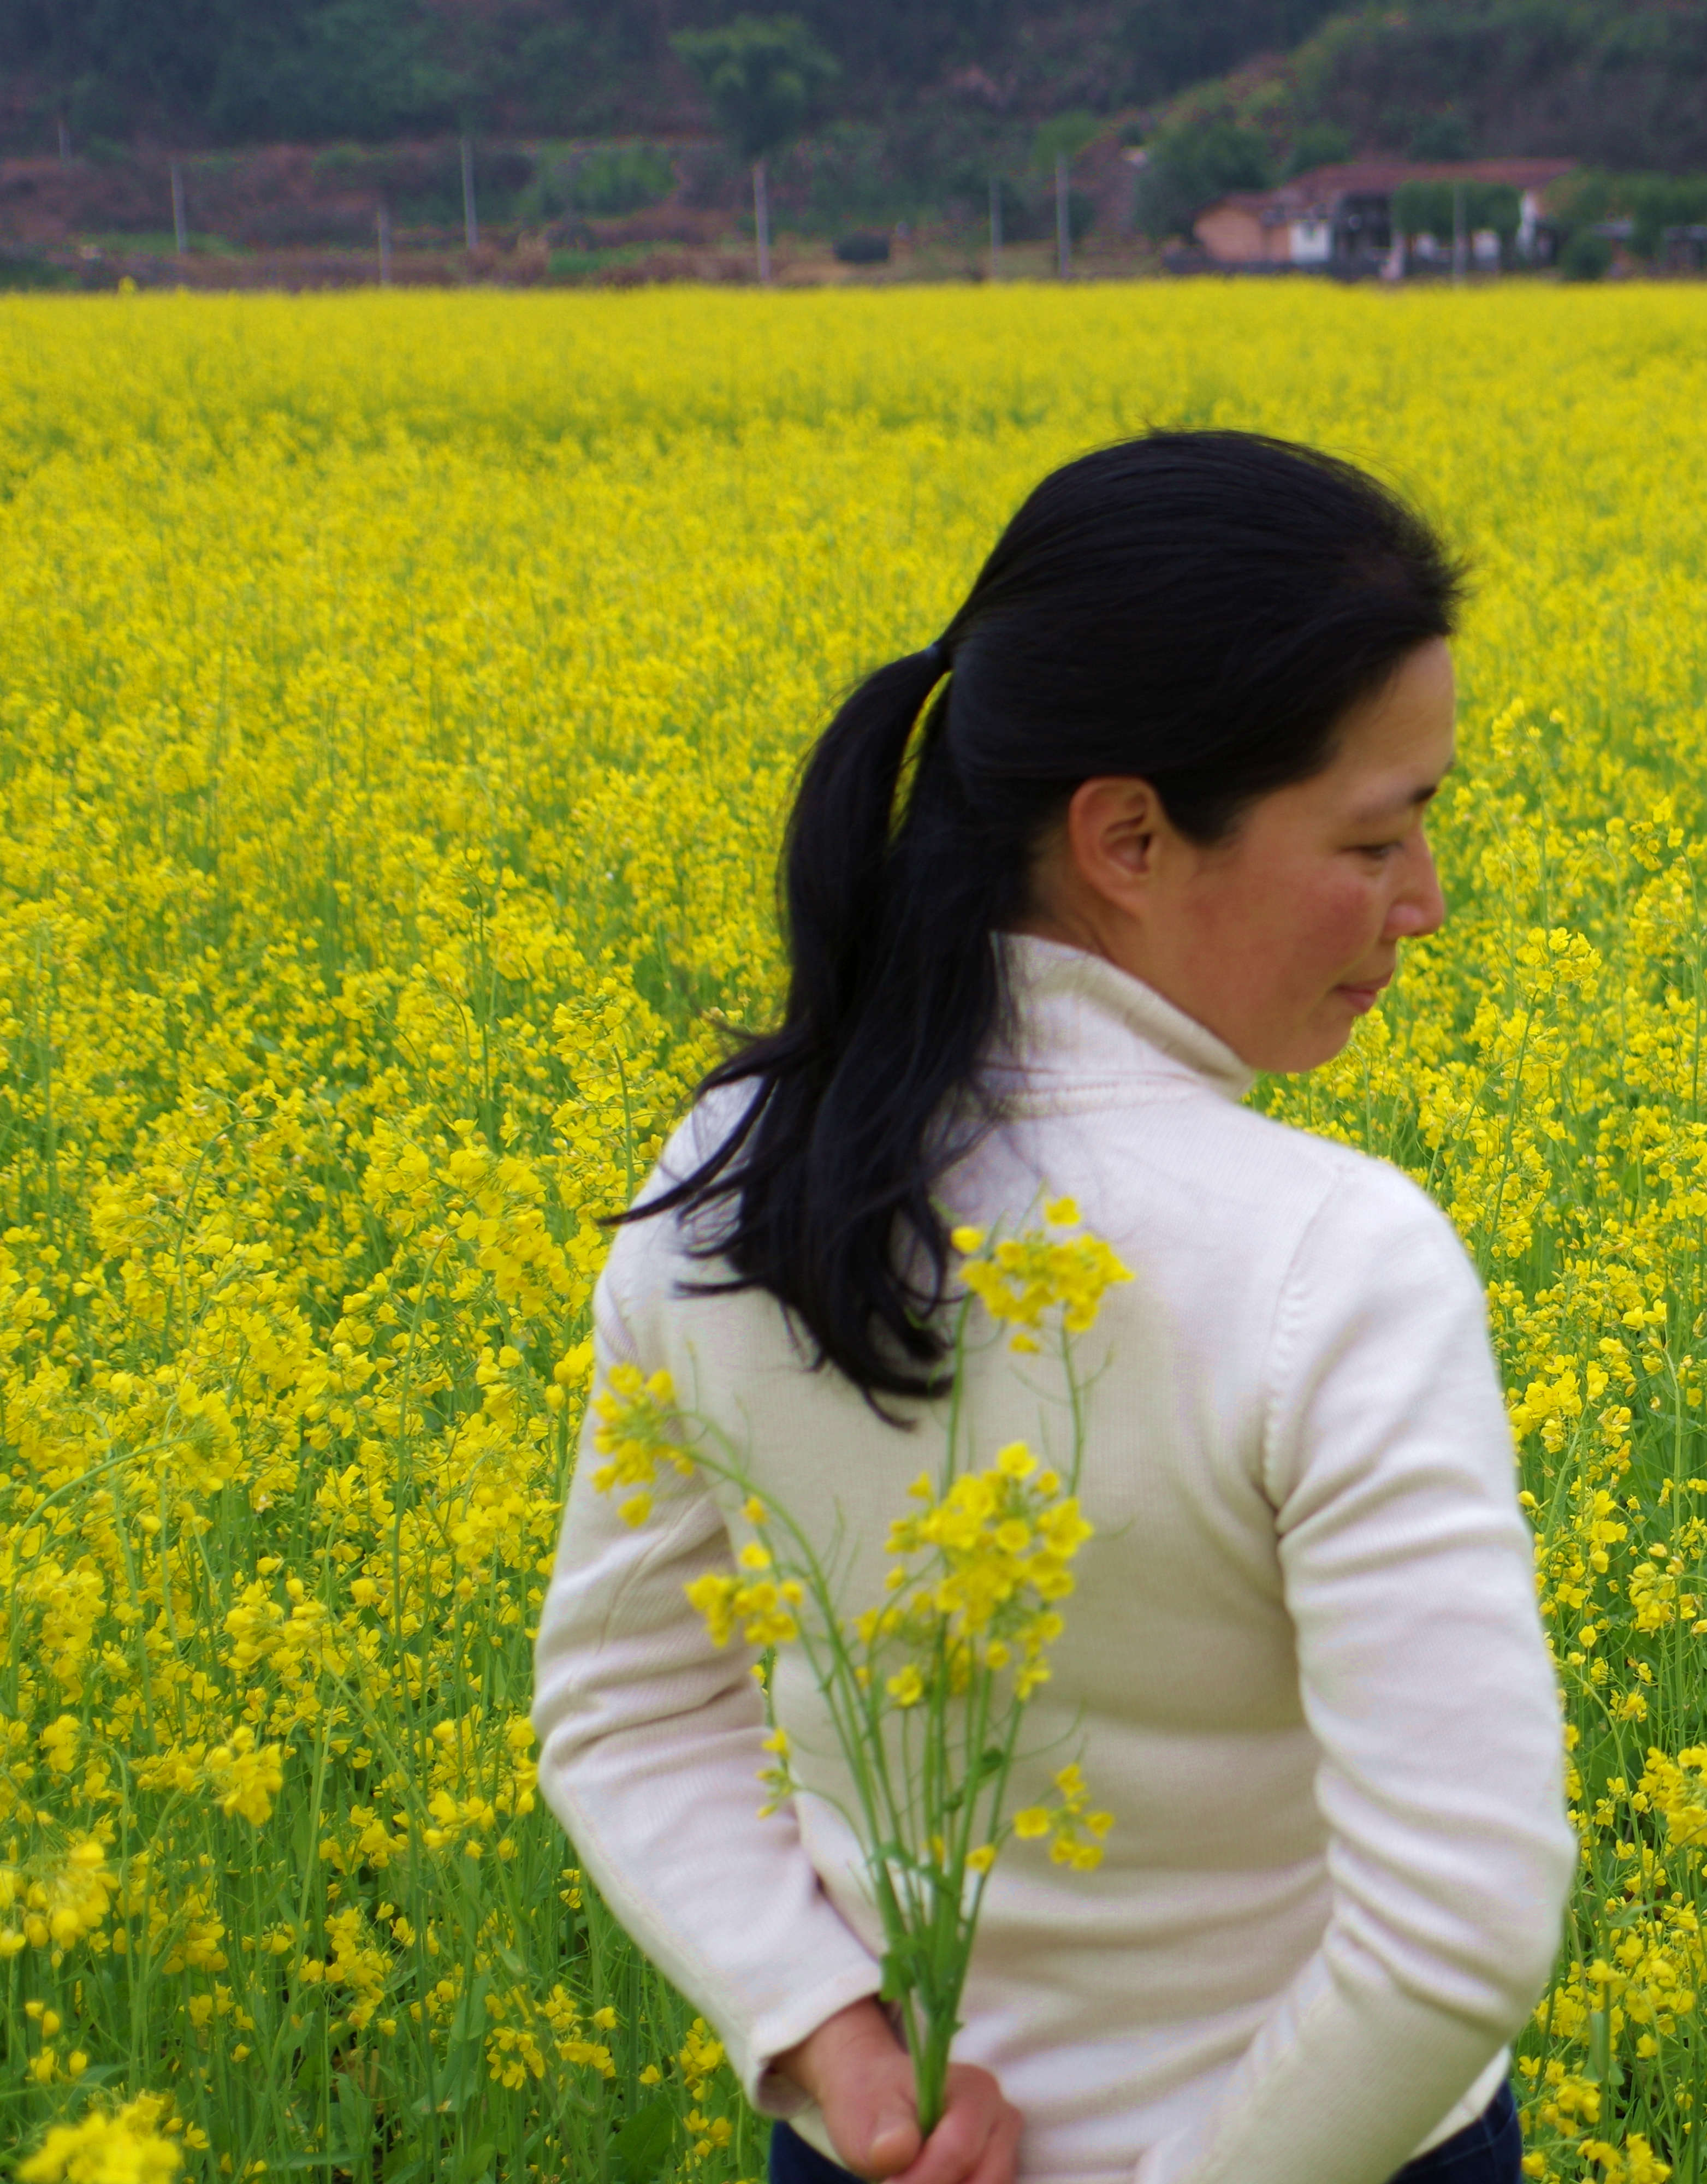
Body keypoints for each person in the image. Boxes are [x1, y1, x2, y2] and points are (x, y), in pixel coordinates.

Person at [528, 431, 1576, 2184]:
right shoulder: (1336, 1258)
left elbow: (627, 1710)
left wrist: (834, 2051)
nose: (1426, 907)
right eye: (1377, 837)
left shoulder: (729, 1178)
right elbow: (1457, 1932)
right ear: (1129, 836)